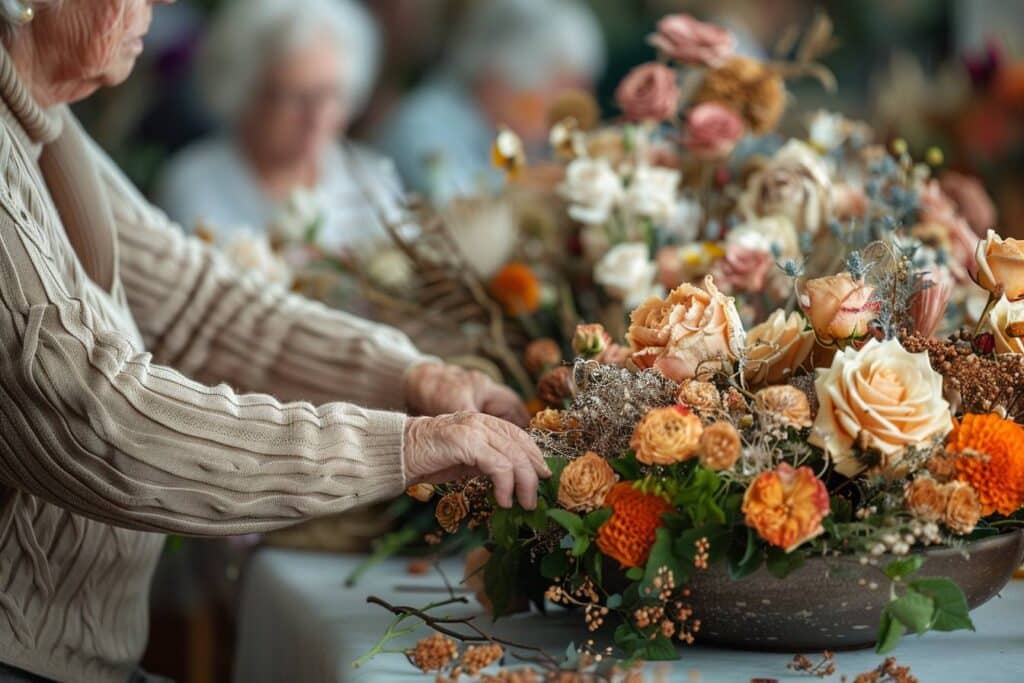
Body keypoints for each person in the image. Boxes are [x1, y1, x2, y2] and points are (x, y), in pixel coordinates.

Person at [0, 2, 548, 682]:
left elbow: (203, 307)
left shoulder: (42, 123)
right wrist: (399, 445)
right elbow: (101, 423)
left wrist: (412, 379)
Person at [155, 0, 400, 252]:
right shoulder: (193, 183)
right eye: (296, 97)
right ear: (246, 92)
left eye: (331, 94)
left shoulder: (373, 185)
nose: (317, 117)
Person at [374, 0, 605, 202]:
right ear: (498, 78)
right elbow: (462, 213)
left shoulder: (527, 139)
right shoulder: (420, 128)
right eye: (558, 89)